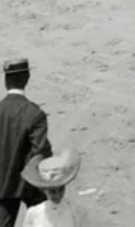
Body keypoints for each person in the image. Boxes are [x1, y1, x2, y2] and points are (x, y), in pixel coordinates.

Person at [0, 59, 50, 227]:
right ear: (27, 78)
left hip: (2, 183)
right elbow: (41, 150)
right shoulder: (35, 113)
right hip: (30, 184)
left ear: (5, 81)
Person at [18, 148, 83, 227]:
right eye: (52, 191)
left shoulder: (74, 210)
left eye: (61, 189)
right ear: (44, 190)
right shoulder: (34, 213)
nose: (57, 195)